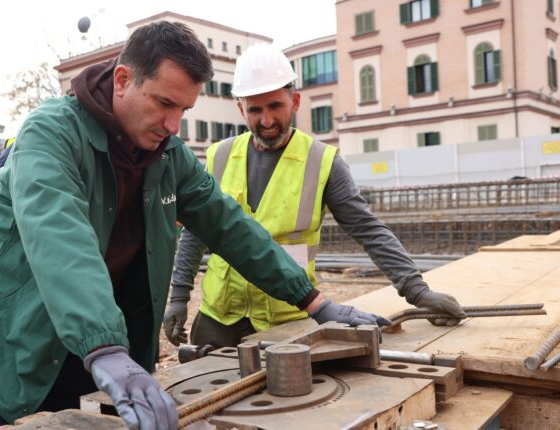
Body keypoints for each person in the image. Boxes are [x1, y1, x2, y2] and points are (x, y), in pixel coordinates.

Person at [0, 23, 388, 430]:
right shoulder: (50, 136)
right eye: (164, 103)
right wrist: (106, 348)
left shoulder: (167, 154)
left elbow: (229, 225)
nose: (174, 125)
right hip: (2, 337)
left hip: (85, 341)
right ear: (122, 80)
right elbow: (59, 236)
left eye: (184, 109)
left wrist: (314, 301)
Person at [163, 44, 466, 349]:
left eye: (275, 106)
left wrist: (416, 290)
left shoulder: (322, 162)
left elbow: (367, 229)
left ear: (294, 101)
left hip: (289, 317)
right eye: (255, 110)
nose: (266, 121)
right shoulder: (220, 156)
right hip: (220, 316)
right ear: (241, 109)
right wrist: (178, 296)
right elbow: (196, 231)